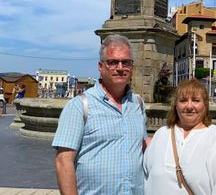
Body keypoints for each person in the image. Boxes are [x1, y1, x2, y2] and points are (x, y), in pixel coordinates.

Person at [52, 34, 146, 195]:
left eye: (126, 62)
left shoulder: (137, 104)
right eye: (112, 62)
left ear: (132, 67)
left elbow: (143, 146)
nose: (120, 67)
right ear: (100, 67)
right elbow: (63, 162)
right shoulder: (79, 106)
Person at [144, 79, 216, 195]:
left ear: (205, 105)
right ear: (175, 105)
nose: (189, 106)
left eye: (195, 100)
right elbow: (145, 176)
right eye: (183, 100)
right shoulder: (161, 134)